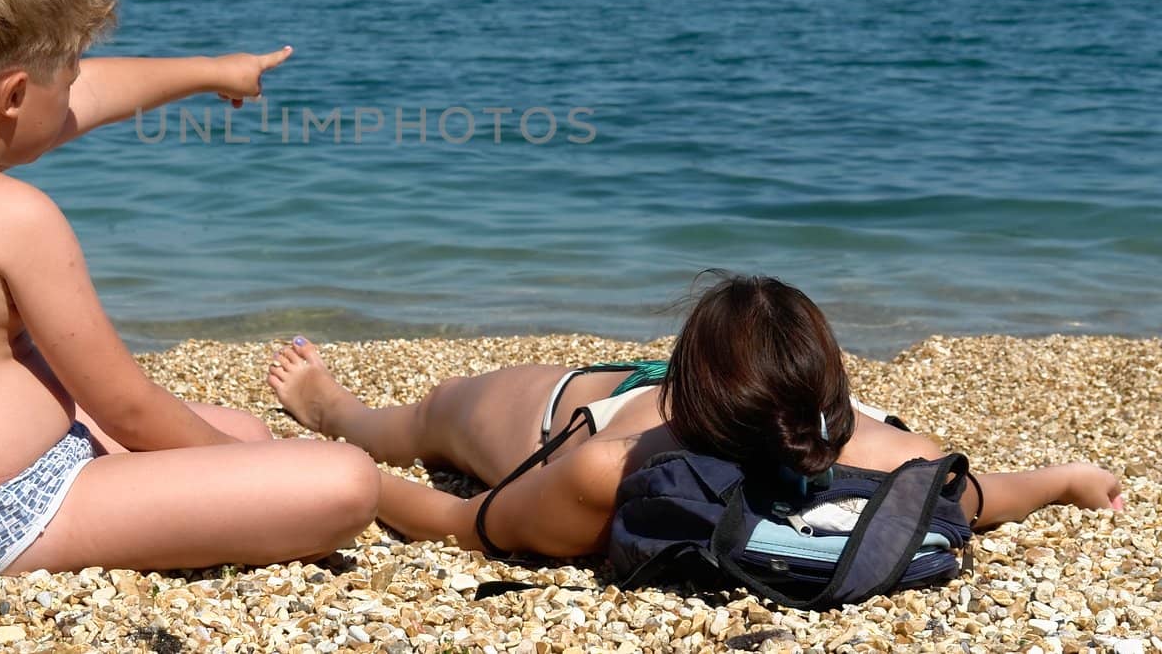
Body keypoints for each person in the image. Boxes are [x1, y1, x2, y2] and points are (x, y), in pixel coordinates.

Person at [0, 0, 378, 576]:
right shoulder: (10, 213)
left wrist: (212, 72)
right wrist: (236, 464)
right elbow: (128, 407)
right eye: (69, 74)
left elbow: (82, 98)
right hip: (12, 513)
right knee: (344, 480)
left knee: (253, 433)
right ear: (13, 96)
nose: (77, 93)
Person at [268, 272, 1123, 559]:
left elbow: (463, 520)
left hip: (584, 413)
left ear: (683, 386)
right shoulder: (897, 459)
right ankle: (336, 407)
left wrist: (358, 479)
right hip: (762, 410)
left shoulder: (613, 465)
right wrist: (1069, 480)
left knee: (424, 422)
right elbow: (989, 495)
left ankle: (332, 406)